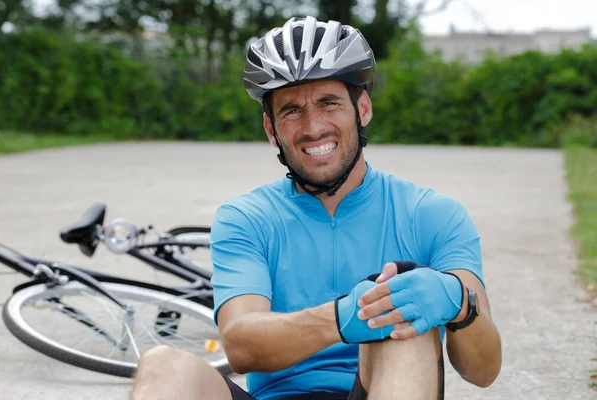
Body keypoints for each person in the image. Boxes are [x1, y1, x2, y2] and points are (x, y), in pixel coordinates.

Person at [130, 16, 502, 400]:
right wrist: (343, 317)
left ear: (364, 109)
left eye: (329, 103)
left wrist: (460, 303)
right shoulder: (246, 218)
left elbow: (484, 370)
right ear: (271, 129)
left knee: (400, 326)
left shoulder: (434, 214)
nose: (312, 126)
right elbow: (241, 345)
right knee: (162, 365)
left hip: (384, 388)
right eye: (291, 110)